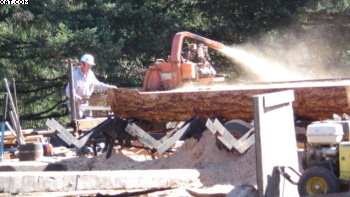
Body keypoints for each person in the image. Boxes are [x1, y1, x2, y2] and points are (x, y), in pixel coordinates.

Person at [65, 54, 117, 119]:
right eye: (88, 65)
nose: (90, 67)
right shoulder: (75, 75)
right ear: (82, 64)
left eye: (91, 65)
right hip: (76, 105)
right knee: (79, 124)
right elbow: (68, 91)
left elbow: (96, 85)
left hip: (86, 103)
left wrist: (109, 87)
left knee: (89, 123)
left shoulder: (90, 74)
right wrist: (77, 98)